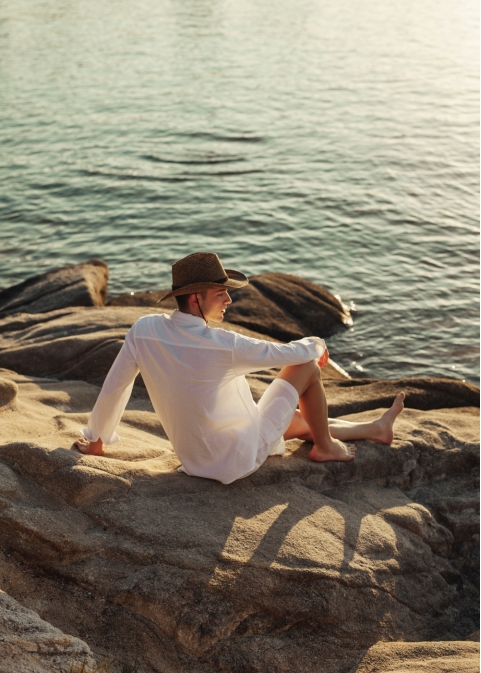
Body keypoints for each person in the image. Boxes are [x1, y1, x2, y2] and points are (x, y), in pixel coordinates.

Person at [75, 252, 404, 484]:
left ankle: (374, 429)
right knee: (305, 366)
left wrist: (96, 438)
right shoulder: (223, 345)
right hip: (235, 460)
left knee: (293, 422)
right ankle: (326, 447)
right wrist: (318, 343)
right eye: (221, 294)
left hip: (194, 458)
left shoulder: (143, 330)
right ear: (195, 300)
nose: (229, 301)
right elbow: (289, 353)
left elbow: (115, 386)